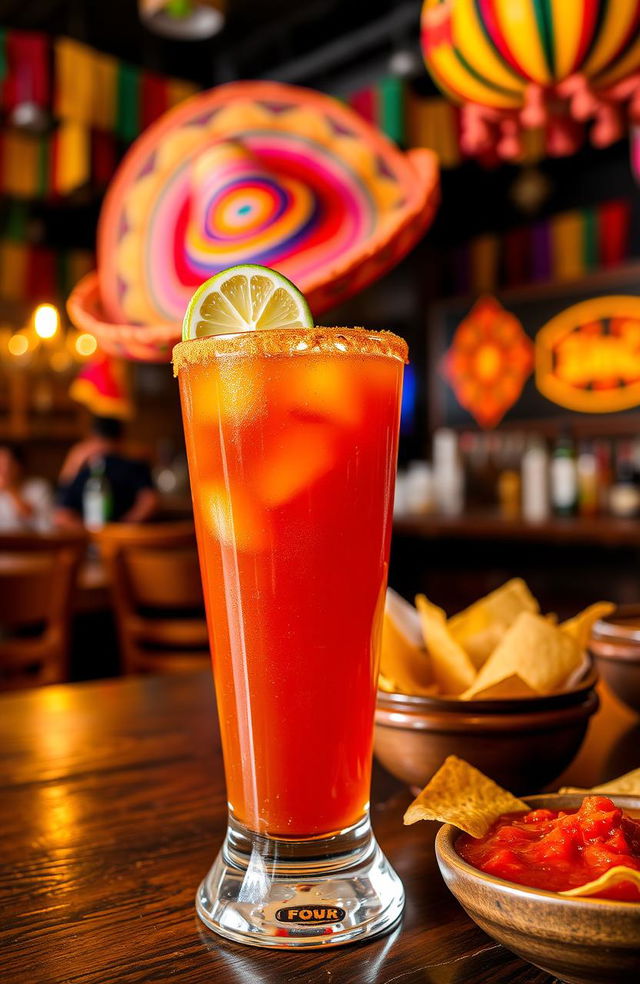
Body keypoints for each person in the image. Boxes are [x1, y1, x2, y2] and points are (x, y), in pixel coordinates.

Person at [55, 416, 158, 529]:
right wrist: (123, 527)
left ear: (92, 437)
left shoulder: (81, 470)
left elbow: (61, 516)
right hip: (129, 540)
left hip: (91, 540)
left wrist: (95, 535)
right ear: (121, 437)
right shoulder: (137, 465)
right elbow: (150, 501)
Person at [0, 444, 54, 533]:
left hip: (30, 543)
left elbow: (44, 525)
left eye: (5, 464)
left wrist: (10, 489)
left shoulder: (39, 487)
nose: (2, 470)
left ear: (19, 465)